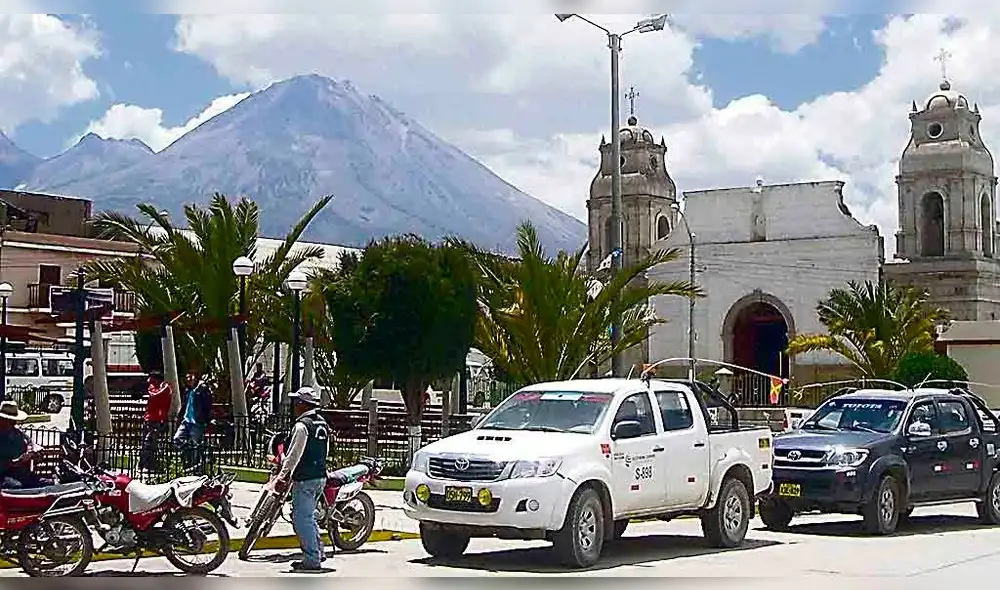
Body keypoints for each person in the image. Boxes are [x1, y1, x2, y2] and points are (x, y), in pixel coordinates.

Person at [277, 386, 330, 572]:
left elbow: (294, 455)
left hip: (305, 478)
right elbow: (326, 450)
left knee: (301, 519)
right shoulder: (322, 423)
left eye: (296, 402)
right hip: (320, 477)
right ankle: (318, 551)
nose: (294, 406)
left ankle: (312, 559)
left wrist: (283, 476)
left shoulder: (302, 426)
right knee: (308, 517)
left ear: (301, 404)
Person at [0, 400, 54, 490]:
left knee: (49, 483)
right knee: (16, 486)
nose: (14, 423)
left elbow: (31, 444)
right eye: (10, 420)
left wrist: (36, 454)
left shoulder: (18, 433)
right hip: (4, 476)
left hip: (23, 475)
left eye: (14, 420)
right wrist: (16, 462)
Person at [172, 372, 213, 470]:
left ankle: (195, 466)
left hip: (197, 422)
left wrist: (207, 419)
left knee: (195, 445)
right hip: (186, 421)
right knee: (177, 439)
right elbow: (184, 405)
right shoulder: (187, 391)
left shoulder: (202, 389)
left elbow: (207, 405)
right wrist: (179, 416)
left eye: (191, 377)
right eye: (187, 378)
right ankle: (187, 457)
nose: (189, 380)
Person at [139, 371, 172, 471]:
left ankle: (149, 464)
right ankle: (145, 463)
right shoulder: (156, 387)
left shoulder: (164, 388)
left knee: (149, 443)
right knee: (146, 443)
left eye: (151, 379)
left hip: (157, 420)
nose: (148, 381)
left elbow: (155, 395)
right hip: (149, 418)